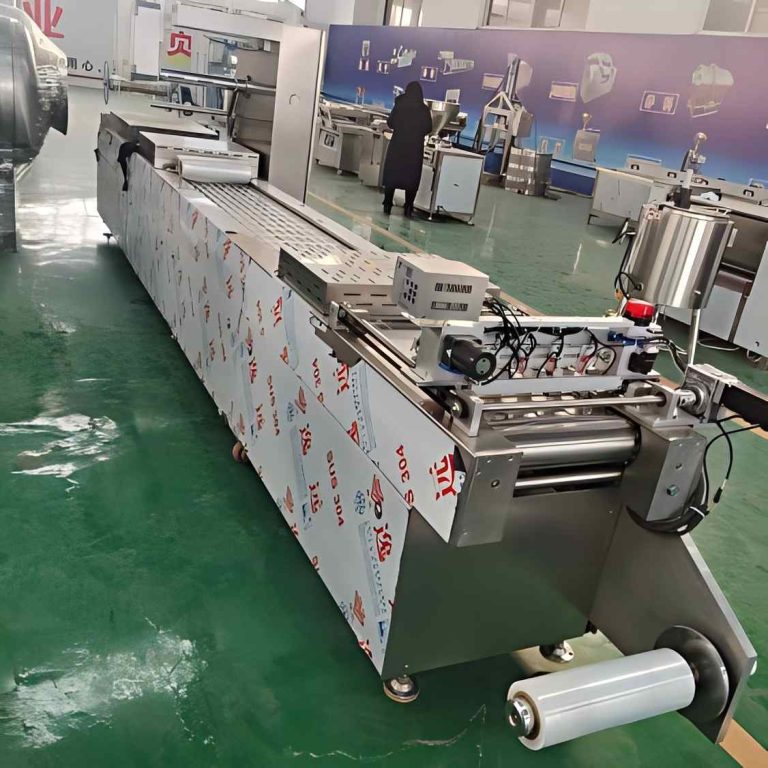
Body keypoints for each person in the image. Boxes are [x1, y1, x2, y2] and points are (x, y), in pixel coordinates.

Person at [382, 81, 433, 218]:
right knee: (411, 177)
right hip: (414, 148)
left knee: (392, 175)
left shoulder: (399, 105)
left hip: (398, 146)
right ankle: (409, 207)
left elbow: (390, 123)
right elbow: (429, 128)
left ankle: (387, 204)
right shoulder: (423, 109)